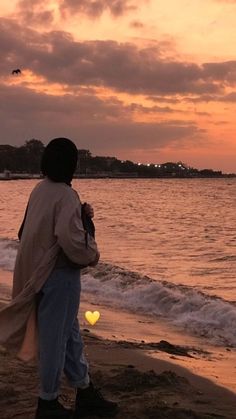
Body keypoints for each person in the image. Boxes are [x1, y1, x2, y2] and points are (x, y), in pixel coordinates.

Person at [0, 138, 118, 418]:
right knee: (56, 340)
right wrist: (93, 252)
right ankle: (48, 402)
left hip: (35, 272)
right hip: (58, 276)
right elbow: (72, 241)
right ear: (71, 165)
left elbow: (24, 231)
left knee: (69, 335)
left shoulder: (39, 190)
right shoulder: (66, 195)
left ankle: (84, 389)